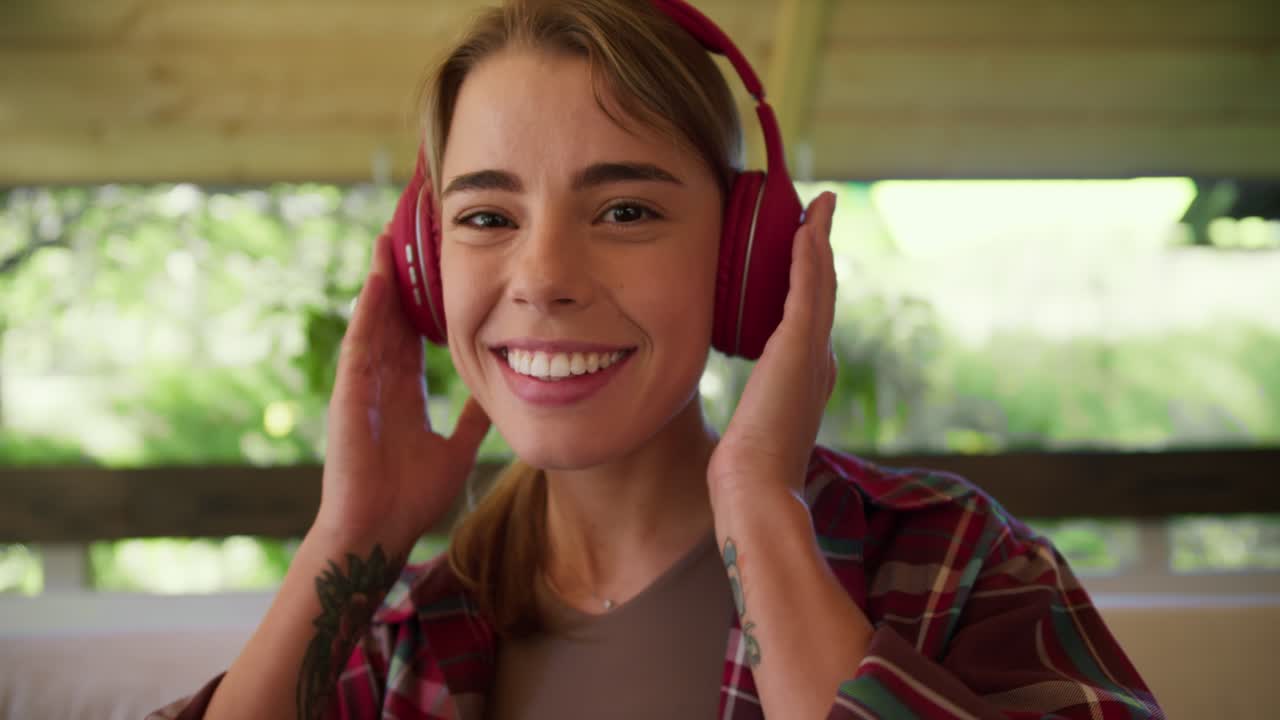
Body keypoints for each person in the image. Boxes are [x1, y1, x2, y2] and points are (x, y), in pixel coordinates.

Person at [152, 0, 1164, 718]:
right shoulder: (403, 634)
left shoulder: (957, 566)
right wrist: (349, 537)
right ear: (425, 266)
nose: (543, 277)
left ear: (742, 259)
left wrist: (760, 513)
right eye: (487, 216)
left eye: (626, 210)